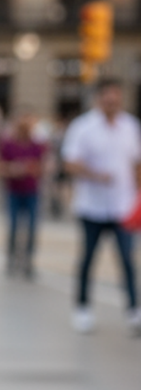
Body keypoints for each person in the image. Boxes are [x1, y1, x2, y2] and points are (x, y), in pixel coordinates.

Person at [62, 79, 141, 334]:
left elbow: (136, 163)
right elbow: (70, 163)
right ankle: (82, 308)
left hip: (122, 206)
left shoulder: (130, 126)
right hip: (91, 207)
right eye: (108, 99)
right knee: (88, 259)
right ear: (99, 99)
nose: (112, 103)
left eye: (116, 99)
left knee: (127, 261)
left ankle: (133, 310)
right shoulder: (83, 127)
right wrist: (95, 175)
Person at [0, 110, 46, 279]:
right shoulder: (7, 144)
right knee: (13, 227)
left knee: (32, 228)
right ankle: (11, 257)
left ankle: (28, 260)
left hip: (32, 192)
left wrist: (34, 169)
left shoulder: (38, 145)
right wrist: (13, 169)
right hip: (13, 192)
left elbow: (46, 167)